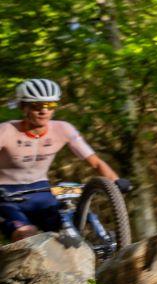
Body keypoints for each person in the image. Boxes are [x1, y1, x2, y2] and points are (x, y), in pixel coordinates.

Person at [0, 79, 129, 241]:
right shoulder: (6, 131)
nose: (44, 111)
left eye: (50, 105)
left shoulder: (63, 129)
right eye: (36, 106)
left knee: (68, 231)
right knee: (26, 234)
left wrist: (115, 181)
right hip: (6, 194)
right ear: (22, 107)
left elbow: (95, 162)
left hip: (42, 191)